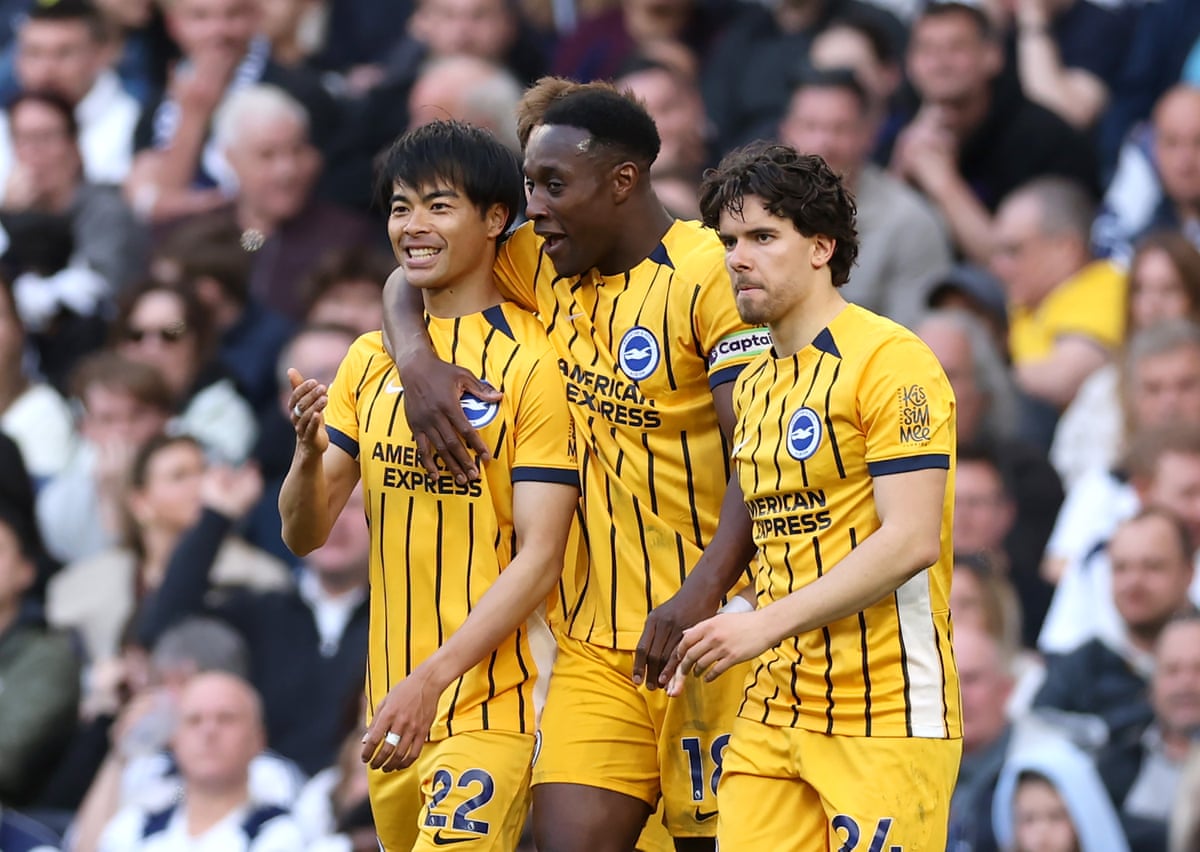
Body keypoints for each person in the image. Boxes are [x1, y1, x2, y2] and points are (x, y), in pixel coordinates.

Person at [382, 79, 772, 851]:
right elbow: (406, 274)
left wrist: (701, 595)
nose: (535, 207)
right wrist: (417, 361)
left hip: (714, 635)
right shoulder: (544, 258)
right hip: (597, 648)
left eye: (554, 186)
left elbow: (756, 459)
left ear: (622, 182)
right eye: (529, 185)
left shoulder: (709, 278)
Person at [280, 119, 580, 850]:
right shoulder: (368, 359)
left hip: (494, 703)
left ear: (496, 218)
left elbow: (540, 556)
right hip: (393, 710)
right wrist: (303, 453)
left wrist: (433, 678)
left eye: (439, 206)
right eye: (400, 207)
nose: (413, 226)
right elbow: (306, 534)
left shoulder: (537, 365)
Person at [667, 143, 961, 849]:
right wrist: (734, 613)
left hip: (886, 713)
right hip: (772, 715)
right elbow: (789, 546)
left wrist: (761, 625)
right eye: (729, 241)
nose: (738, 257)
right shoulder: (758, 383)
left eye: (764, 237)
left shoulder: (893, 360)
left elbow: (911, 539)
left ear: (821, 247)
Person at [95, 672, 305, 851]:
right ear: (174, 739)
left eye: (226, 718)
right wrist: (119, 755)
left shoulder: (278, 833)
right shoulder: (135, 826)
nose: (209, 732)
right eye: (194, 720)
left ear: (258, 739)